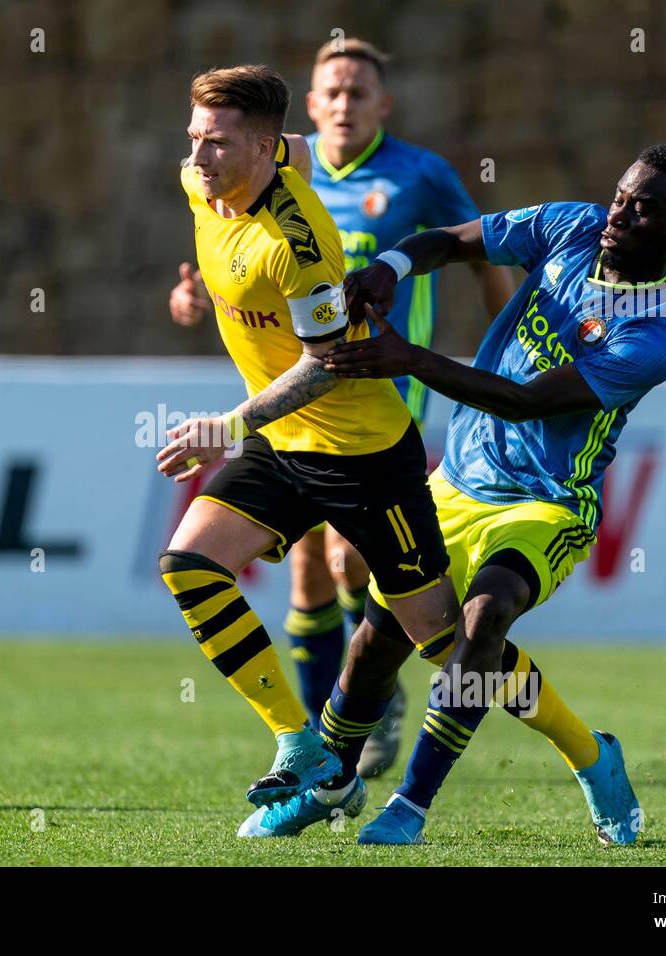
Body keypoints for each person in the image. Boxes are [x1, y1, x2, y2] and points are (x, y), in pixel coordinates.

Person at [256, 144, 666, 846]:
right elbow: (453, 239)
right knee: (377, 645)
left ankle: (409, 805)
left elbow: (528, 403)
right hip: (455, 482)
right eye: (624, 195)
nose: (623, 214)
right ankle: (334, 785)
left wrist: (410, 359)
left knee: (485, 617)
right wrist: (392, 265)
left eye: (648, 209)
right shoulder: (572, 226)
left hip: (548, 502)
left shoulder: (650, 335)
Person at [168, 39, 514, 777]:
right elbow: (230, 228)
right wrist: (197, 290)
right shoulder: (256, 164)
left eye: (359, 92)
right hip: (289, 418)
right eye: (332, 91)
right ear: (314, 106)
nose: (344, 105)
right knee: (293, 575)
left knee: (356, 564)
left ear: (382, 105)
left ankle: (370, 701)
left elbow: (477, 253)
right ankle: (316, 746)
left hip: (379, 399)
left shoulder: (416, 177)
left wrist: (503, 356)